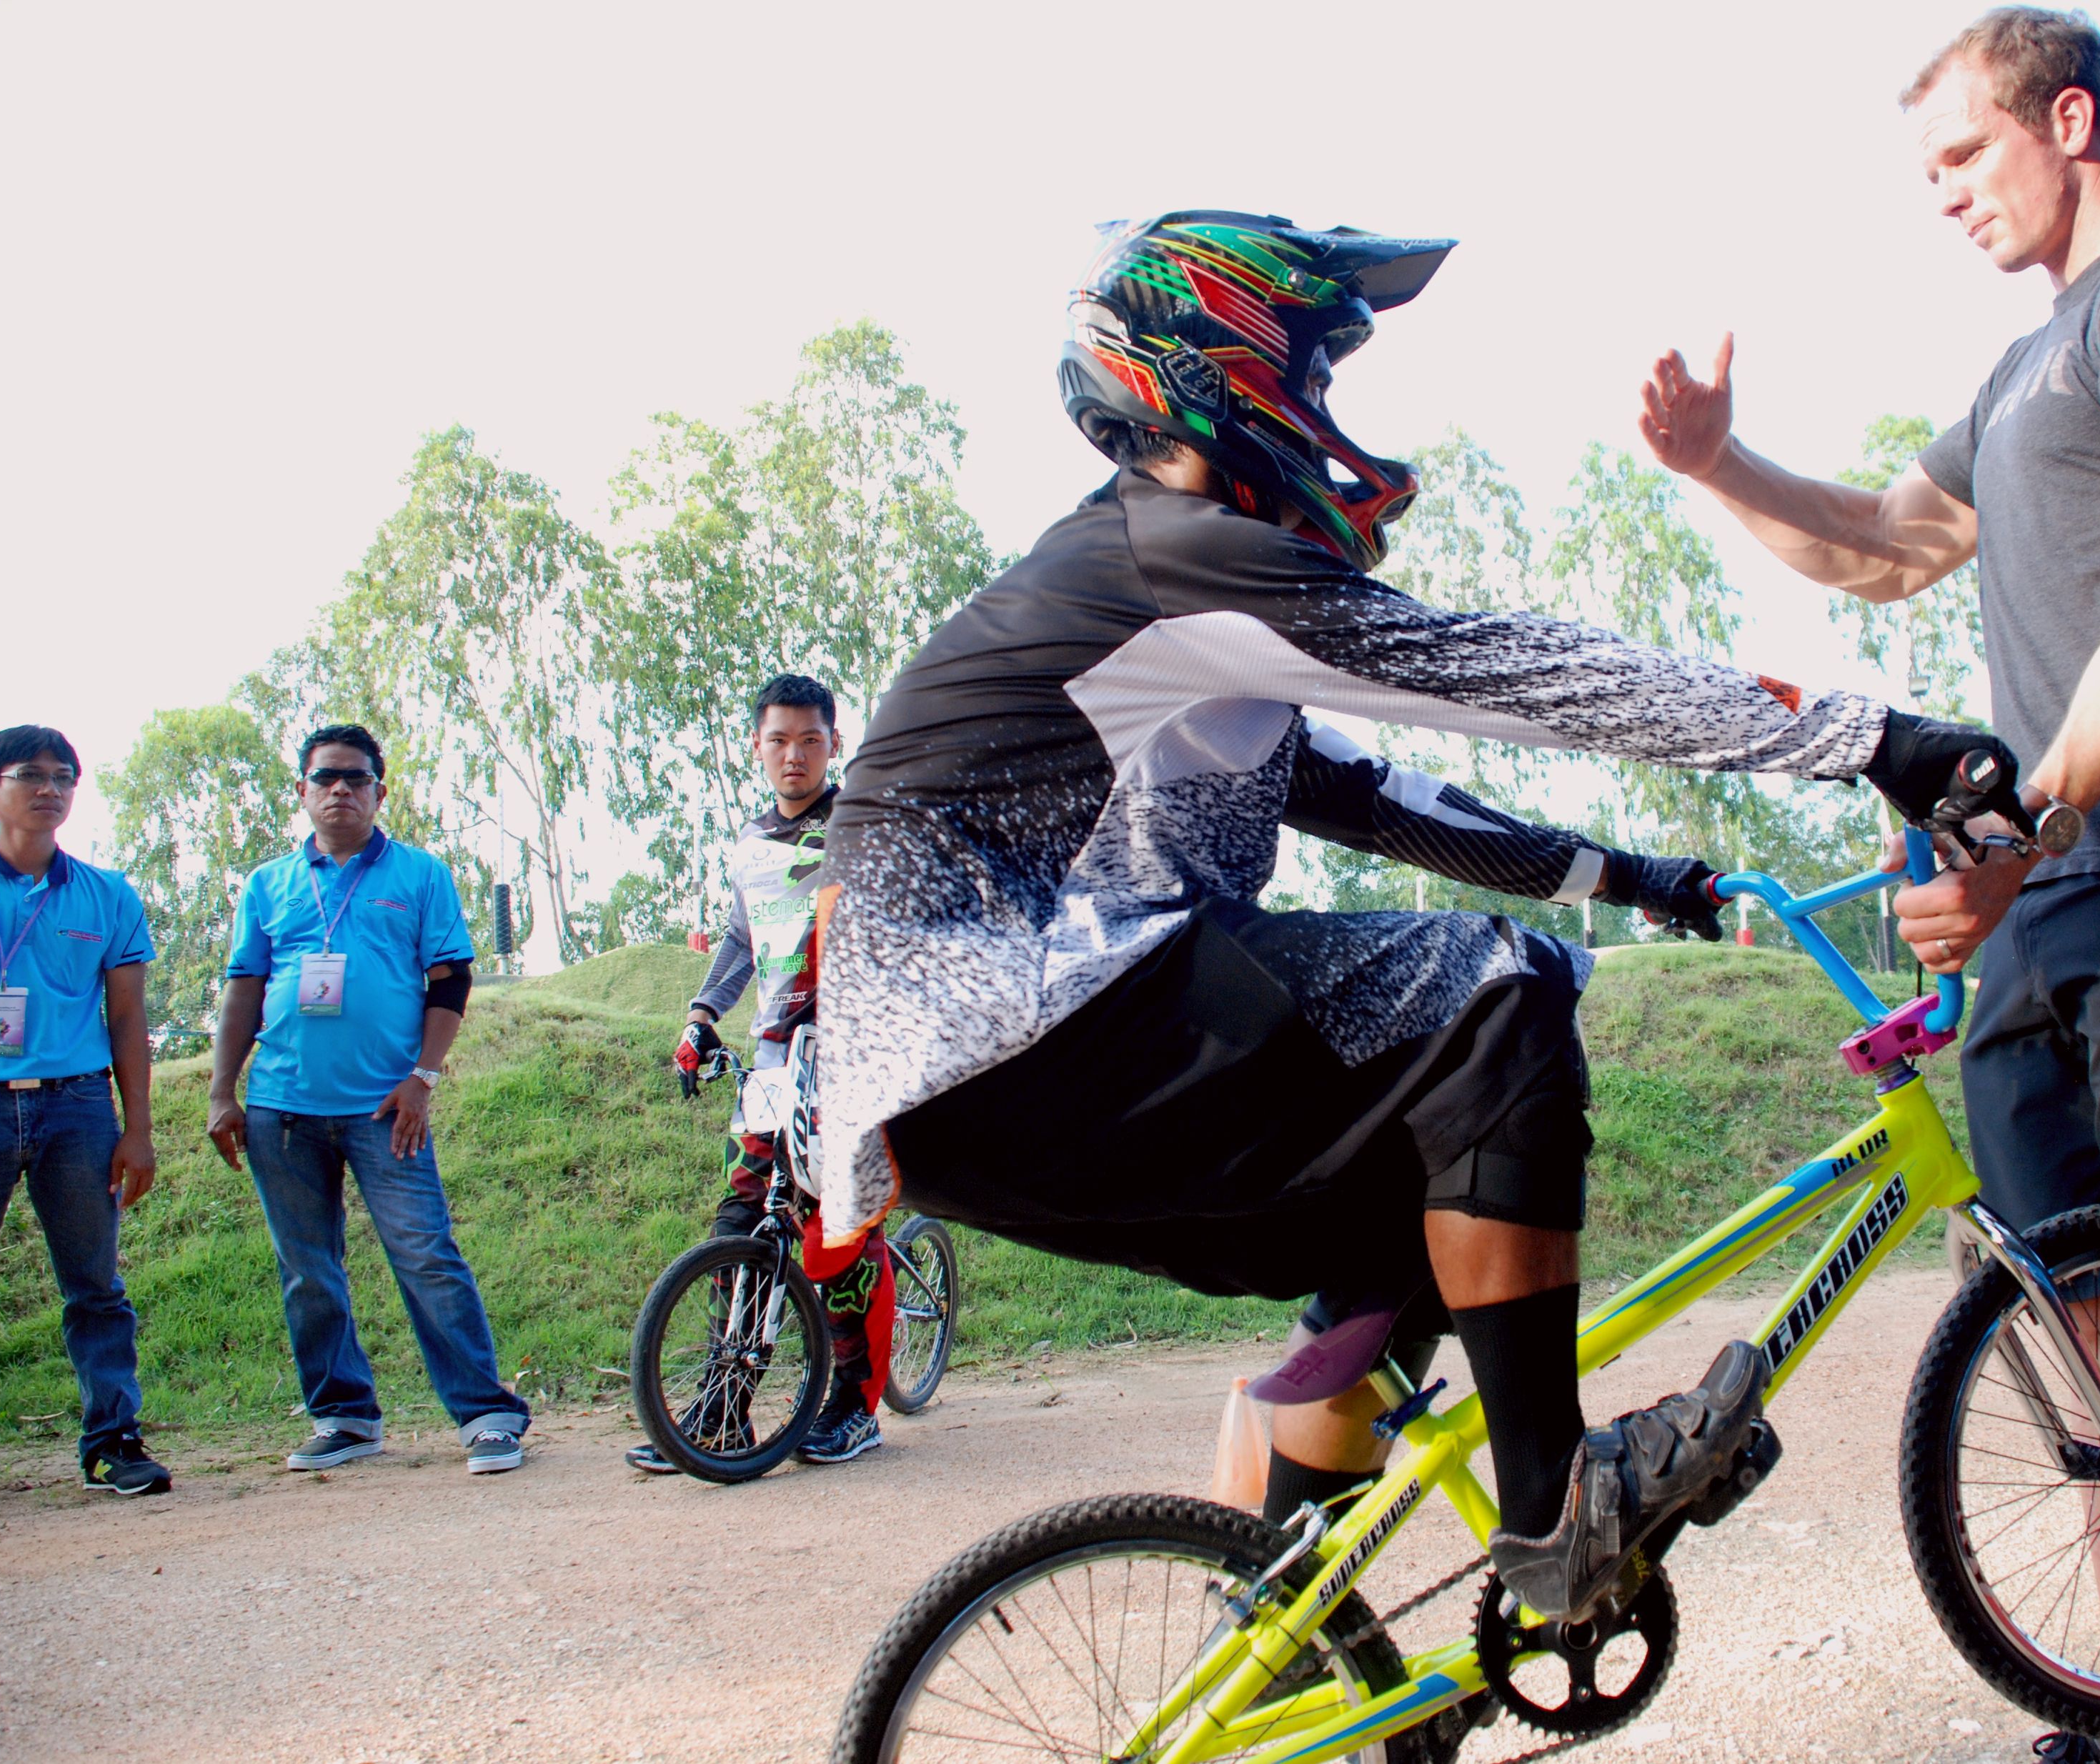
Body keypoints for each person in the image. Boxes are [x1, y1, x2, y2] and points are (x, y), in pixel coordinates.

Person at [807, 209, 1994, 1623]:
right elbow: (1502, 672)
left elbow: (1375, 795)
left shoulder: (1169, 595)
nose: (1320, 415)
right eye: (1307, 374)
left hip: (977, 1071)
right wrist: (1873, 738)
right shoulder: (1172, 555)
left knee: (1421, 1192)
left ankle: (1305, 1639)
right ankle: (1559, 1510)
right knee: (1495, 996)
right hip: (994, 1018)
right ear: (1216, 368)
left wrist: (1631, 876)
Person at [1633, 11, 2100, 1763]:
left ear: (2068, 116)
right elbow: (1889, 544)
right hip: (2048, 898)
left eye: (1961, 155)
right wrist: (1714, 465)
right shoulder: (2036, 359)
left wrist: (2018, 812)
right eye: (1926, 173)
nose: (1942, 196)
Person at [206, 724, 530, 1475]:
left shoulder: (418, 876)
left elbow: (450, 979)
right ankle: (344, 1416)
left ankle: (486, 1413)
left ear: (381, 792)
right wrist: (224, 1090)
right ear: (303, 793)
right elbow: (244, 988)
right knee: (307, 1268)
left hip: (386, 1111)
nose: (341, 791)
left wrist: (424, 1078)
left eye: (357, 779)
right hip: (280, 1109)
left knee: (426, 1255)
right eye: (326, 779)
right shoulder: (268, 885)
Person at [627, 673, 897, 1473]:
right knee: (738, 1226)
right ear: (757, 746)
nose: (794, 755)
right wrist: (701, 1017)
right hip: (775, 1070)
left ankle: (856, 1404)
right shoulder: (748, 844)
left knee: (839, 1236)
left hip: (852, 1064)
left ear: (834, 745)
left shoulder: (858, 827)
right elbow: (742, 943)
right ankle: (723, 1408)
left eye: (811, 740)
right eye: (779, 740)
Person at [0, 725, 170, 1497]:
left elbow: (128, 1020)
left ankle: (114, 1440)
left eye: (64, 775)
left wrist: (137, 1129)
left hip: (78, 1108)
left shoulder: (107, 894)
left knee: (95, 1284)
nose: (49, 787)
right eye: (29, 773)